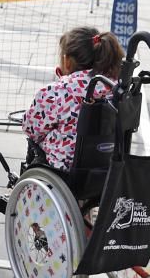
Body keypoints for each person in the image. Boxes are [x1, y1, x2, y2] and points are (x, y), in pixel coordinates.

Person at [22, 27, 124, 172]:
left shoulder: (56, 92)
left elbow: (31, 129)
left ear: (68, 62)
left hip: (63, 171)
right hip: (108, 168)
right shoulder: (117, 89)